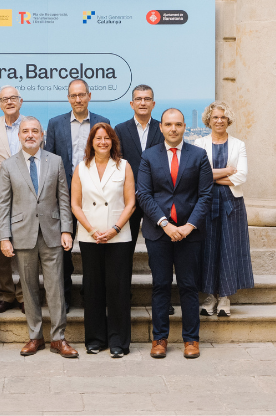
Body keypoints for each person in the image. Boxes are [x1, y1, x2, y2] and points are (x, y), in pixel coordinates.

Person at [0, 116, 79, 358]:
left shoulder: (55, 161)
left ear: (42, 135)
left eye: (35, 131)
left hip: (52, 233)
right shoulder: (9, 165)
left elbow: (64, 198)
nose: (30, 135)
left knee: (56, 288)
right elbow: (4, 205)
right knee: (29, 287)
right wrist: (4, 237)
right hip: (22, 234)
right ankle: (35, 336)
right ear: (19, 135)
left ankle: (58, 338)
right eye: (25, 131)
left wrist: (67, 230)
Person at [136, 108, 212, 359]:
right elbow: (144, 195)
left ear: (184, 127)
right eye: (168, 124)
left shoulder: (199, 155)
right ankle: (160, 339)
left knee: (189, 286)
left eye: (178, 124)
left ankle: (191, 340)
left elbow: (205, 195)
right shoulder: (149, 156)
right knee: (160, 286)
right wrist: (165, 224)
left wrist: (188, 226)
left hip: (190, 233)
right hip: (159, 232)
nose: (173, 129)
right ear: (161, 127)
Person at [45, 79, 110, 312]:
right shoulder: (55, 123)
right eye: (73, 96)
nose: (78, 99)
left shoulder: (103, 122)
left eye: (82, 95)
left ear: (89, 96)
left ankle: (91, 294)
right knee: (63, 249)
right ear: (68, 98)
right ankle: (64, 296)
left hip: (95, 195)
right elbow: (49, 160)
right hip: (63, 195)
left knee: (94, 248)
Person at [71, 123, 135, 358]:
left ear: (113, 141)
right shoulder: (81, 167)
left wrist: (115, 229)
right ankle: (95, 339)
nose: (103, 142)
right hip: (90, 236)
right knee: (93, 288)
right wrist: (91, 229)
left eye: (107, 138)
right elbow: (75, 204)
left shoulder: (124, 166)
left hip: (118, 236)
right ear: (91, 142)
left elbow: (130, 203)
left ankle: (118, 341)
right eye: (98, 138)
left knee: (118, 290)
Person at [115, 84, 175, 316]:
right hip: (127, 199)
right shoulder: (120, 129)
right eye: (138, 99)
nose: (142, 102)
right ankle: (123, 297)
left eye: (147, 99)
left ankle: (163, 299)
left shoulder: (163, 129)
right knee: (124, 252)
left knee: (159, 254)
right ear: (132, 104)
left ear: (153, 104)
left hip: (157, 200)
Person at [194, 101, 253, 317]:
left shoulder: (239, 145)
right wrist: (227, 171)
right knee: (208, 249)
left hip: (232, 203)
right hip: (206, 204)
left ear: (228, 120)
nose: (219, 120)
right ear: (208, 120)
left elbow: (242, 176)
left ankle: (225, 298)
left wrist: (212, 176)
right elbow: (198, 175)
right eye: (215, 117)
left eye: (223, 117)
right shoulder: (199, 143)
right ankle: (209, 297)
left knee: (229, 249)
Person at [0, 86, 26, 314]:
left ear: (21, 101)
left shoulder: (31, 126)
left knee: (25, 249)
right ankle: (6, 294)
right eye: (4, 99)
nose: (9, 102)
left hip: (28, 197)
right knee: (2, 250)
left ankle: (23, 295)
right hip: (1, 197)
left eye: (13, 98)